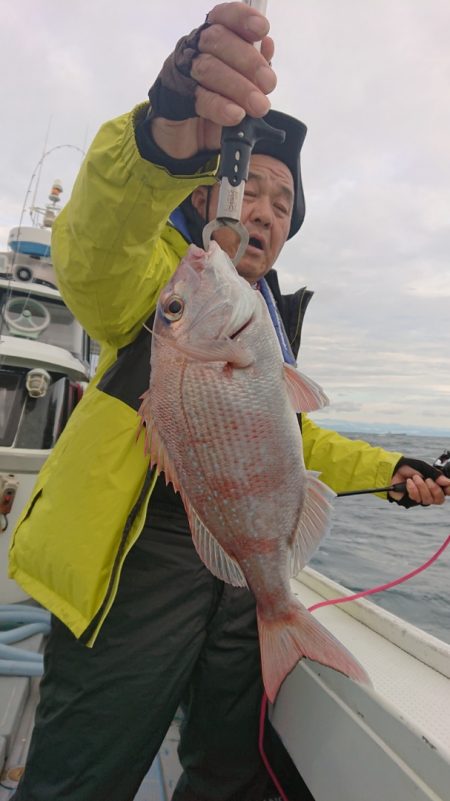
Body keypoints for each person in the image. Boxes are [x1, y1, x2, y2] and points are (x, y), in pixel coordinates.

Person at [8, 4, 450, 801]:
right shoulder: (166, 280)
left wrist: (394, 467)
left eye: (285, 206)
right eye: (256, 191)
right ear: (215, 193)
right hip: (137, 570)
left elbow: (295, 443)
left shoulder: (262, 320)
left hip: (240, 573)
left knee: (224, 773)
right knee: (81, 778)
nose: (267, 212)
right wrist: (163, 133)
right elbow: (96, 247)